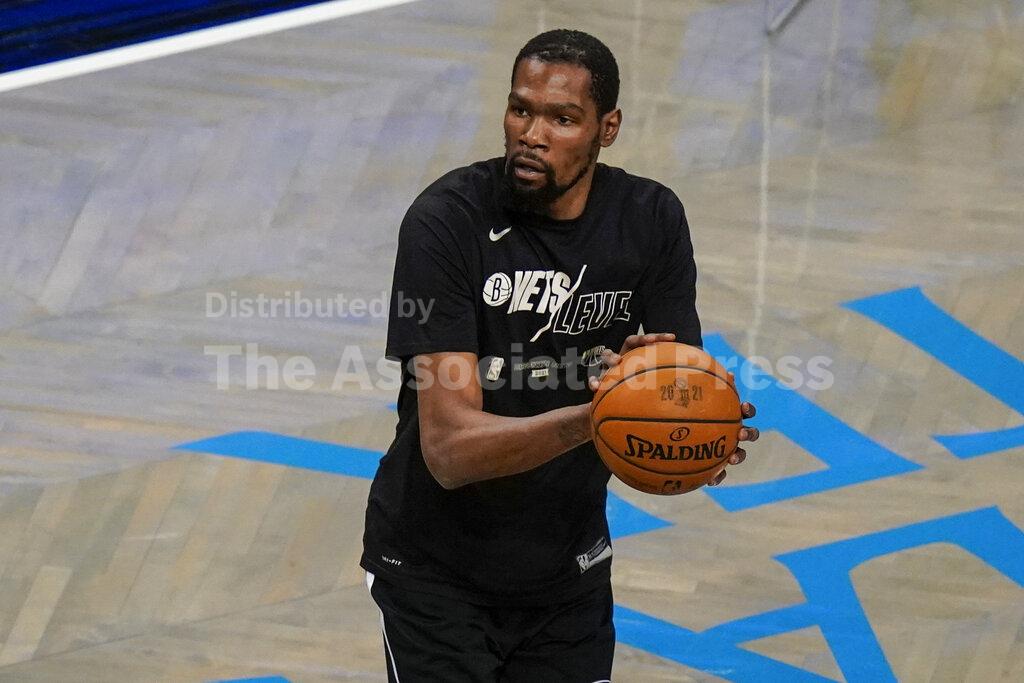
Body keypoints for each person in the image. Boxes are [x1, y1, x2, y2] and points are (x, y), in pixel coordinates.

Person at [361, 28, 758, 682]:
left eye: (563, 119)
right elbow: (450, 450)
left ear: (608, 129)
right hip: (436, 576)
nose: (532, 134)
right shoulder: (446, 222)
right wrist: (598, 416)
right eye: (521, 109)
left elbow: (676, 383)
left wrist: (697, 430)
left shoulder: (650, 219)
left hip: (568, 571)